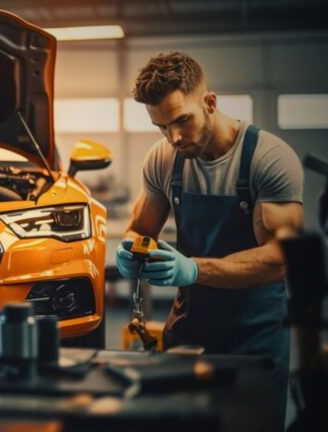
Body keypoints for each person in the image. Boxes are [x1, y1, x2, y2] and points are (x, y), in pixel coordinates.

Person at [116, 51, 303, 428]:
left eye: (182, 120)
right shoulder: (164, 159)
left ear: (210, 103)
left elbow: (281, 258)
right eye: (161, 126)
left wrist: (192, 268)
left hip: (255, 331)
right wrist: (129, 248)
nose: (174, 137)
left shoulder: (268, 159)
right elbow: (140, 229)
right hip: (191, 326)